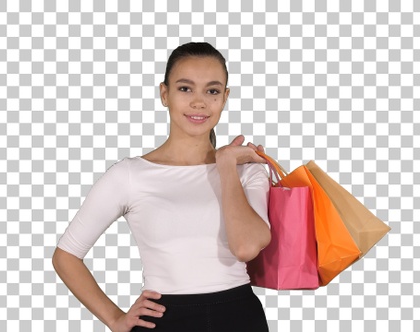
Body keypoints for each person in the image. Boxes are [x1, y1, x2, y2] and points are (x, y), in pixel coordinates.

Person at [53, 42, 271, 332]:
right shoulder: (129, 175)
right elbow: (66, 255)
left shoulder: (247, 170)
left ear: (225, 97)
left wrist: (226, 164)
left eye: (212, 90)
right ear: (164, 94)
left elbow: (246, 247)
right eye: (185, 88)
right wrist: (115, 318)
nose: (199, 102)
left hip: (239, 317)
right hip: (164, 319)